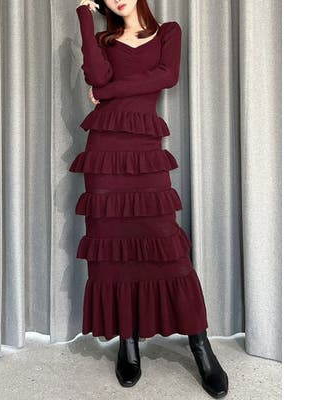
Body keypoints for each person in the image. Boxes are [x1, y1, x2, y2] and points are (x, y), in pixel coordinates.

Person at [70, 0, 229, 397]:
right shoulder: (104, 40)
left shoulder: (168, 32)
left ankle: (200, 345)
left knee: (166, 245)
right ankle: (128, 343)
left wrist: (106, 91)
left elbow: (166, 76)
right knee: (113, 249)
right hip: (104, 152)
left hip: (144, 149)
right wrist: (84, 16)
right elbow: (95, 74)